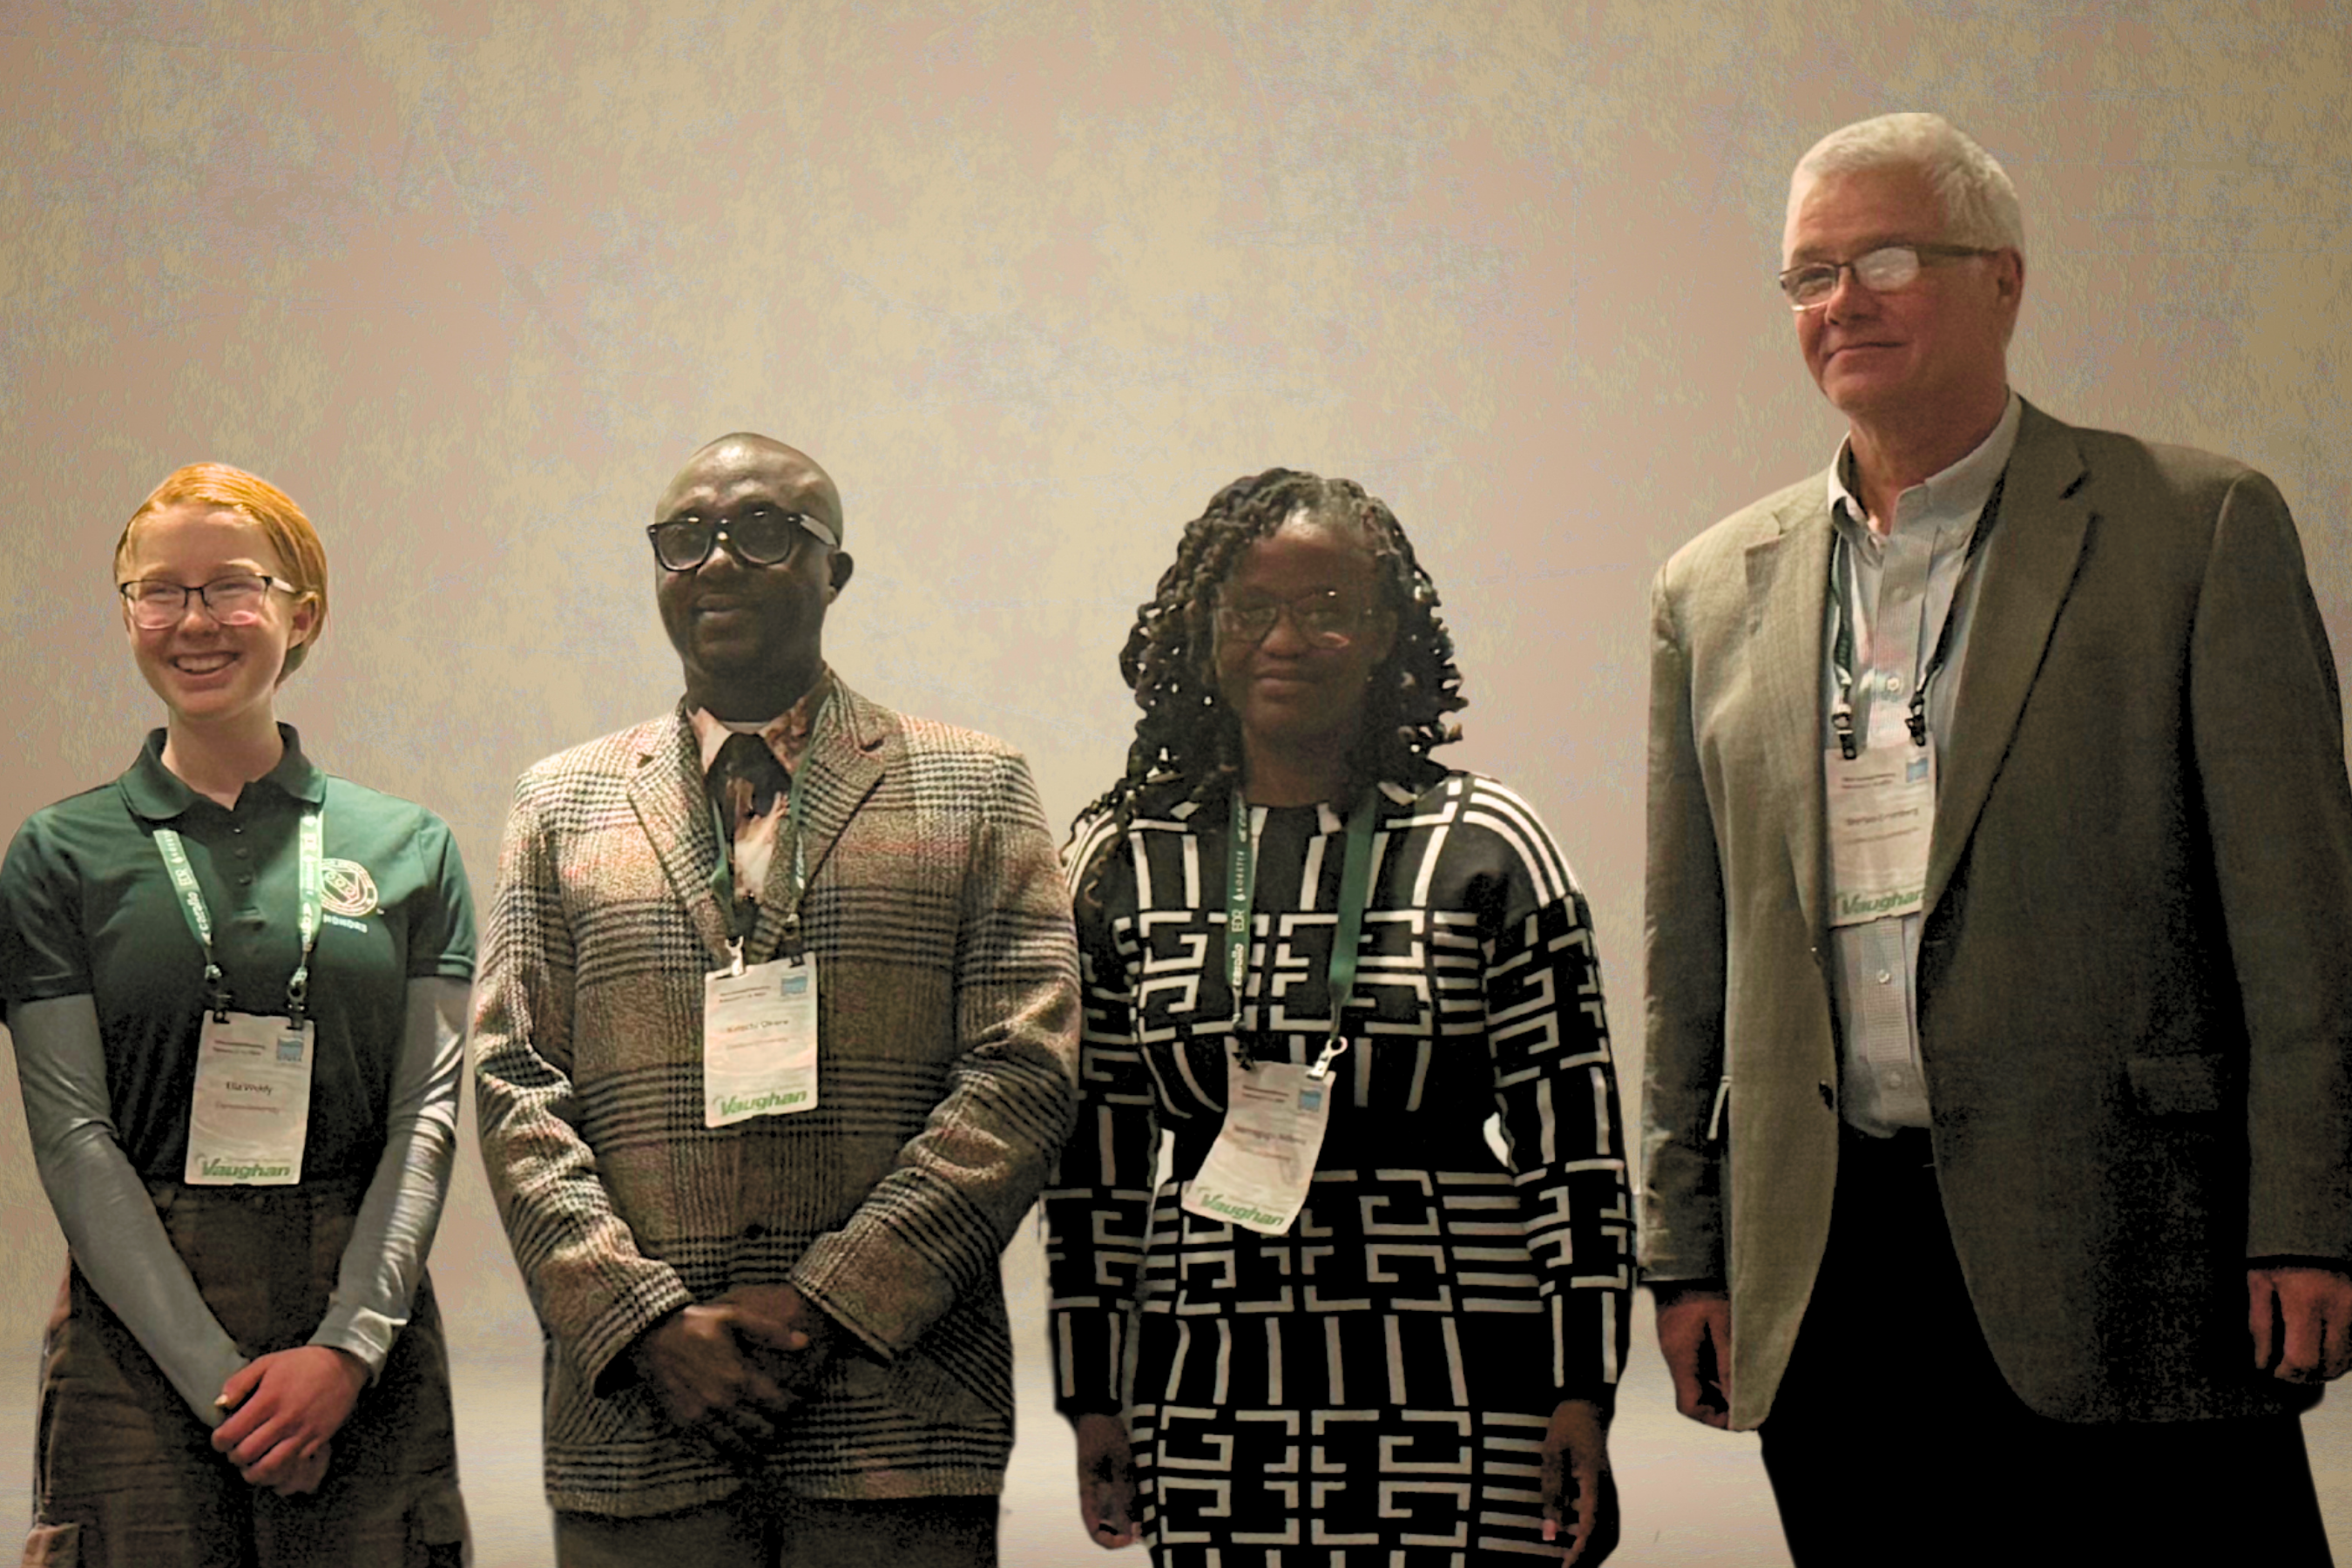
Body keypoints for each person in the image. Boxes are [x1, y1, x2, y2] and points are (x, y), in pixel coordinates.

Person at [1639, 111, 2352, 1565]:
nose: (1843, 302)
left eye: (1888, 257)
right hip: (1830, 1268)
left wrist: (2311, 1216)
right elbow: (1684, 967)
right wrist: (1686, 1247)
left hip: (2135, 1246)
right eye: (1810, 274)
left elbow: (2301, 923)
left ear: (2003, 281)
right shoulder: (1710, 592)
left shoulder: (2195, 528)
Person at [471, 431, 1079, 1567]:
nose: (714, 563)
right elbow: (514, 1083)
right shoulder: (561, 802)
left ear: (833, 571)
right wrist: (640, 1320)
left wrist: (829, 1302)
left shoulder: (975, 783)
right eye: (684, 538)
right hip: (639, 1426)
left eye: (759, 531)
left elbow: (1024, 1070)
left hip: (895, 1419)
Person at [1044, 468, 1630, 1567]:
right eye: (1252, 608)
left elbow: (1576, 1149)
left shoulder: (1490, 840)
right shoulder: (1126, 860)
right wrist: (1092, 1395)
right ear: (1201, 628)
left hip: (1461, 1367)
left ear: (1384, 636)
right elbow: (1098, 1166)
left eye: (1326, 610)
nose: (1286, 638)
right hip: (1210, 1373)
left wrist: (1583, 1388)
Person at [0, 463, 474, 1566]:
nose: (194, 621)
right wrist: (224, 1384)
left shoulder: (411, 849)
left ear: (302, 612)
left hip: (362, 1316)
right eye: (157, 591)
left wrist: (347, 1351)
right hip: (138, 1334)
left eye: (231, 588)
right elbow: (74, 1141)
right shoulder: (58, 856)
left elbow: (427, 1125)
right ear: (126, 613)